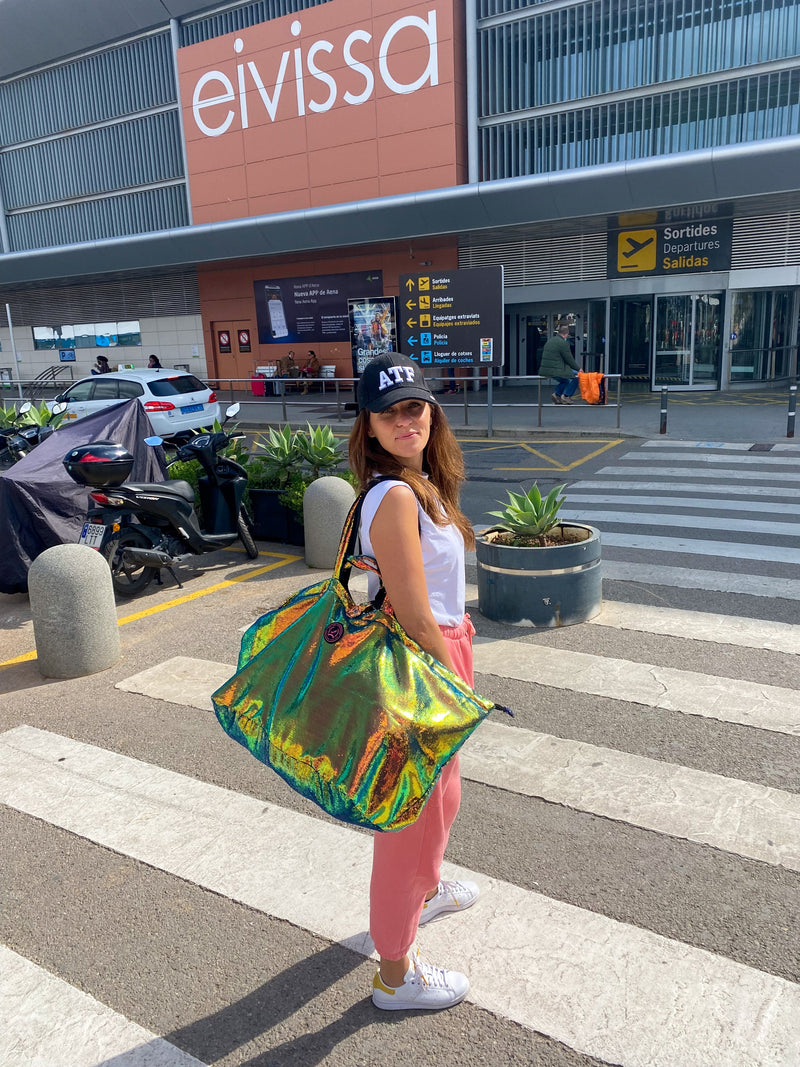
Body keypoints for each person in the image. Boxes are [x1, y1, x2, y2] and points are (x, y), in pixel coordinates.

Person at [349, 351, 479, 1012]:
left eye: (415, 406)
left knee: (442, 796)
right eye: (389, 411)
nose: (406, 419)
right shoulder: (394, 494)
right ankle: (394, 974)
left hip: (441, 650)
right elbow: (414, 609)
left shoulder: (421, 482)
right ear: (368, 425)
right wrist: (455, 681)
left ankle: (424, 894)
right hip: (419, 665)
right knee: (409, 817)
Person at [538, 323, 579, 404]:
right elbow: (569, 359)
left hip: (546, 369)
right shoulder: (563, 343)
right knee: (577, 376)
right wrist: (578, 369)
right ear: (566, 334)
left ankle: (557, 395)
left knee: (565, 380)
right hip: (556, 368)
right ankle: (566, 396)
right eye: (567, 335)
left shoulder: (550, 341)